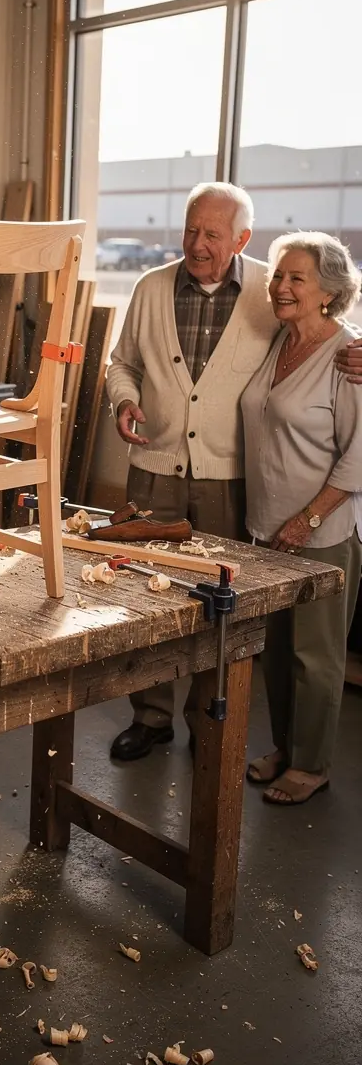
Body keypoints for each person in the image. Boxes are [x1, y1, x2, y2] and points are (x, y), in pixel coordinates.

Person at [104, 182, 362, 762]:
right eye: (191, 230)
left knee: (220, 607)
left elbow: (329, 336)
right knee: (145, 596)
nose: (197, 244)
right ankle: (150, 716)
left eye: (213, 235)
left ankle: (209, 720)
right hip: (154, 469)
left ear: (243, 239)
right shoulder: (150, 287)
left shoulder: (271, 293)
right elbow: (122, 364)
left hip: (231, 478)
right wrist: (124, 399)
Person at [241, 233, 362, 805]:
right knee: (278, 650)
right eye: (278, 275)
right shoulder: (279, 341)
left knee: (315, 657)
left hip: (321, 532)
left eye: (297, 278)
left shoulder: (348, 356)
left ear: (328, 292)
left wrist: (308, 519)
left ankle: (311, 765)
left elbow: (359, 454)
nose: (281, 287)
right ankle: (286, 747)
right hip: (267, 528)